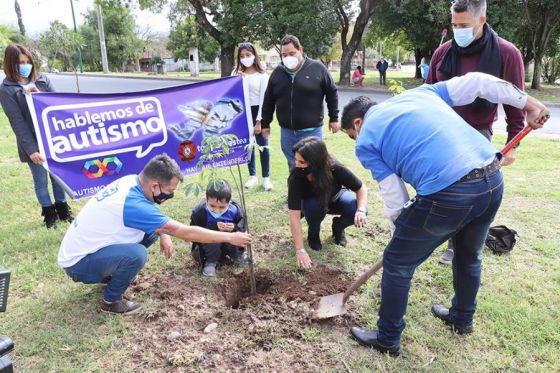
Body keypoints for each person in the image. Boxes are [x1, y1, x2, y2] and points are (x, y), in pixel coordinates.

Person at [340, 72, 549, 356]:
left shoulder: (366, 141)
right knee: (468, 254)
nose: (356, 142)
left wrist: (398, 242)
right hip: (492, 178)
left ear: (357, 123)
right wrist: (529, 103)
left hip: (452, 192)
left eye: (352, 136)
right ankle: (462, 318)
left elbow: (394, 197)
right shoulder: (421, 93)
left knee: (398, 263)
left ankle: (388, 339)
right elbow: (478, 82)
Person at [57, 154, 252, 315]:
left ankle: (109, 272)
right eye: (169, 191)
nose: (170, 195)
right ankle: (111, 301)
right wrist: (230, 237)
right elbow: (185, 232)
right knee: (136, 254)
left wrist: (164, 235)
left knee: (151, 233)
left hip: (88, 249)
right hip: (79, 264)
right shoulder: (133, 204)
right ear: (154, 186)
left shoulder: (131, 182)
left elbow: (154, 219)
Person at [427, 0, 526, 265]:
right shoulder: (443, 53)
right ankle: (450, 240)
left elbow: (516, 100)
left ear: (482, 20)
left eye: (464, 25)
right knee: (447, 190)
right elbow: (428, 96)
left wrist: (513, 143)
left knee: (475, 195)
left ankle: (465, 244)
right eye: (454, 24)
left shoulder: (507, 53)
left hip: (478, 135)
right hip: (444, 131)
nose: (458, 30)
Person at [0, 44, 73, 229]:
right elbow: (17, 122)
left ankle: (63, 209)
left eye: (27, 62)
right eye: (20, 63)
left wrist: (39, 96)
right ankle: (49, 215)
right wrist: (31, 149)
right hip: (31, 141)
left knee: (57, 176)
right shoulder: (6, 89)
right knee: (40, 179)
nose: (25, 66)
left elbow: (57, 105)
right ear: (10, 64)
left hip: (52, 138)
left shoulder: (41, 80)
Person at [261, 34, 339, 170]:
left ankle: (317, 191)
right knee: (293, 166)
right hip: (287, 132)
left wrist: (334, 118)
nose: (288, 57)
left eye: (292, 53)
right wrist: (265, 123)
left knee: (315, 167)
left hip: (312, 131)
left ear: (301, 50)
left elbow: (332, 92)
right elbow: (268, 99)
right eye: (284, 55)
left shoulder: (317, 68)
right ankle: (296, 191)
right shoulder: (278, 73)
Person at [288, 137, 368, 269]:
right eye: (296, 159)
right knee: (313, 207)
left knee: (355, 208)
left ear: (315, 162)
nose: (296, 164)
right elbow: (294, 216)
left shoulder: (334, 168)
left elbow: (361, 188)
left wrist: (361, 210)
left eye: (301, 162)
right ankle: (313, 234)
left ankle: (338, 227)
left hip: (336, 199)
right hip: (313, 205)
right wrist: (300, 250)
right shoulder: (296, 177)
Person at [190, 179, 252, 277]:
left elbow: (243, 226)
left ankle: (237, 255)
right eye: (212, 206)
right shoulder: (200, 212)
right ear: (205, 199)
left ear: (229, 202)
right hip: (206, 249)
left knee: (236, 236)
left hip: (227, 246)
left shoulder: (235, 210)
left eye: (222, 207)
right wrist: (214, 227)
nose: (217, 210)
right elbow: (194, 233)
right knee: (213, 238)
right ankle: (210, 263)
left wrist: (235, 227)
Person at [232, 42, 273, 191]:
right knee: (248, 145)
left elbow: (264, 100)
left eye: (248, 55)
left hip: (259, 112)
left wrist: (259, 122)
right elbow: (231, 91)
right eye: (242, 56)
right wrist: (237, 78)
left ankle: (266, 178)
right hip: (242, 113)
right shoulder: (236, 73)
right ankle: (252, 176)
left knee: (263, 145)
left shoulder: (262, 75)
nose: (245, 58)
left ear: (254, 55)